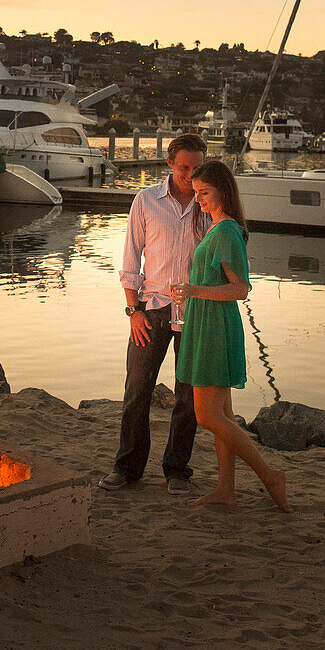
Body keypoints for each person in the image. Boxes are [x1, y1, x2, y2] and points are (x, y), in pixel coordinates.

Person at [173, 159, 290, 511]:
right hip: (205, 322)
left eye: (205, 192)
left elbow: (241, 290)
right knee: (221, 413)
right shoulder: (217, 228)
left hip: (215, 326)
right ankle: (226, 490)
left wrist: (193, 290)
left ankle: (270, 475)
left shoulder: (226, 232)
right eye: (196, 194)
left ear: (223, 189)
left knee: (207, 416)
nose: (200, 200)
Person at [99, 132, 209, 495]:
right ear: (169, 164)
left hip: (195, 314)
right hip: (151, 310)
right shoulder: (146, 201)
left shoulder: (209, 207)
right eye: (183, 168)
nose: (190, 176)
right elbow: (130, 262)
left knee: (188, 396)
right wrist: (133, 311)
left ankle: (177, 470)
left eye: (196, 169)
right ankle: (127, 468)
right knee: (136, 389)